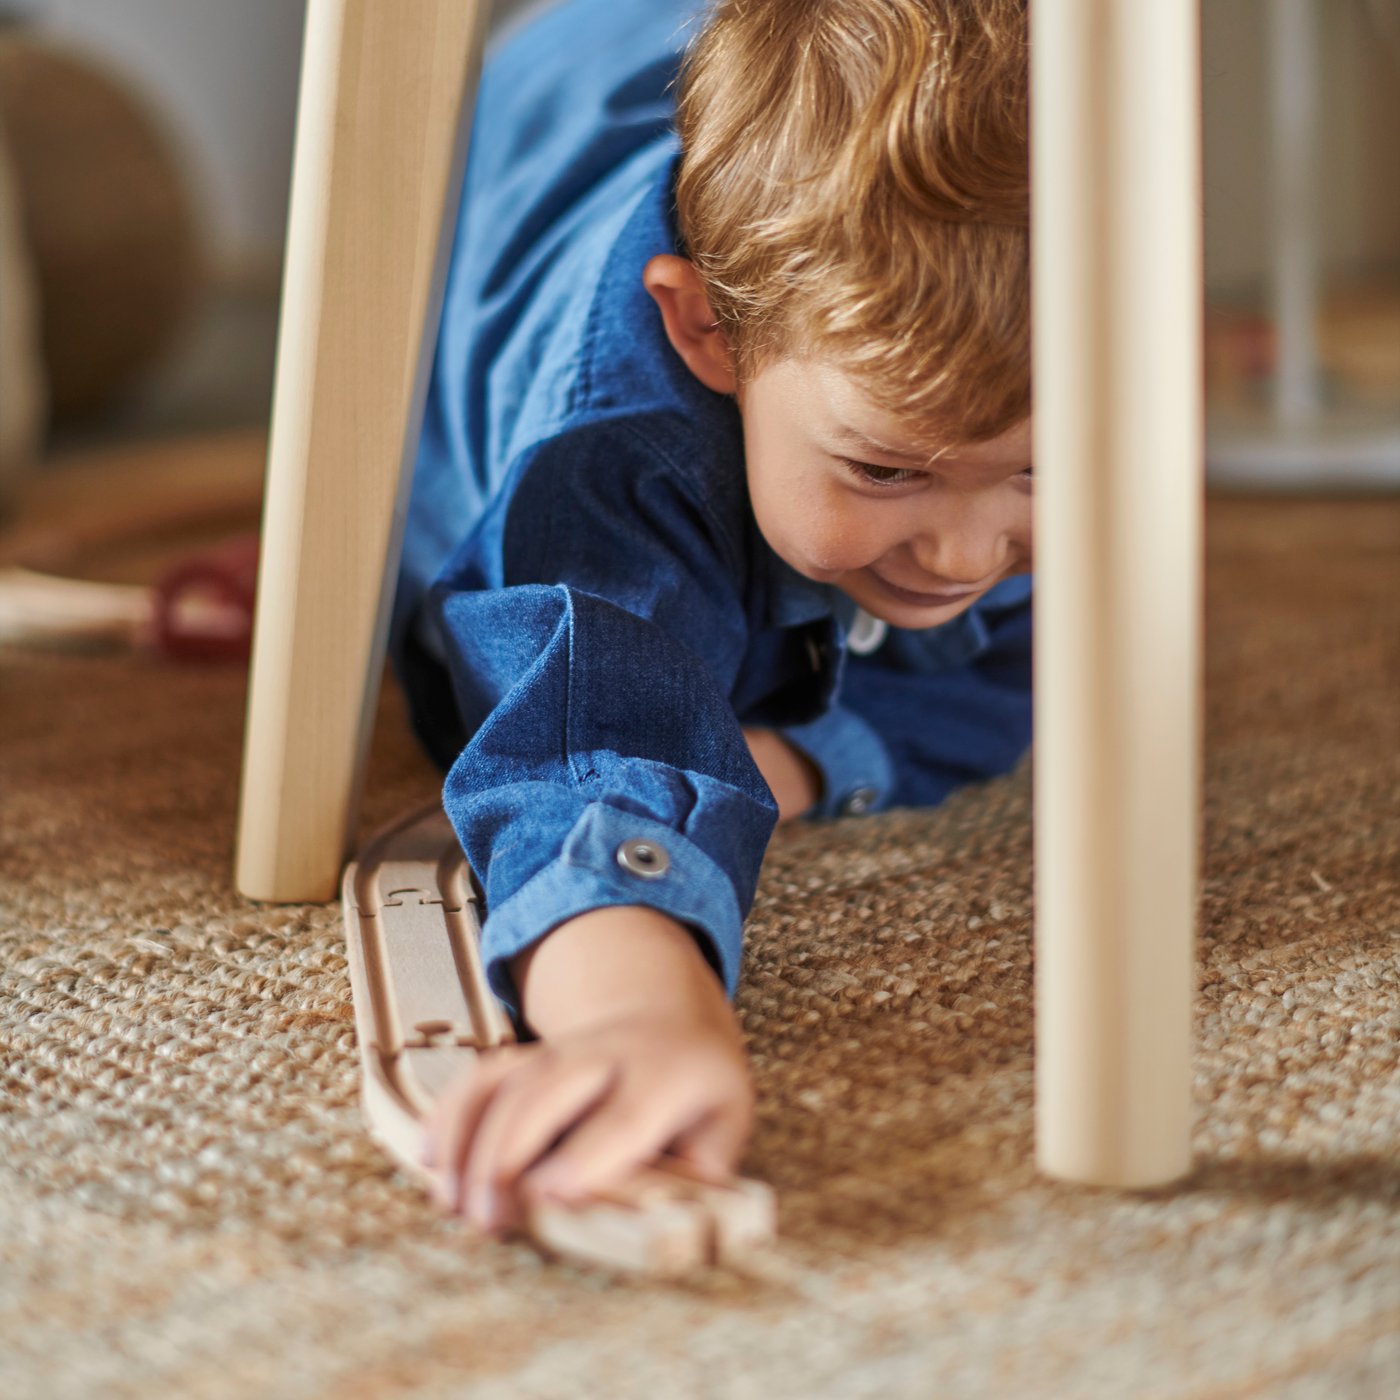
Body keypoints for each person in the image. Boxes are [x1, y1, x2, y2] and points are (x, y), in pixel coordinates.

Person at [392, 0, 1034, 1236]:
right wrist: (635, 1009)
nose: (964, 550)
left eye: (1037, 472)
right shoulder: (617, 449)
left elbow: (1014, 675)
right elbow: (582, 747)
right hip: (526, 105)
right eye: (886, 470)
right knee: (454, 576)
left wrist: (777, 760)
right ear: (707, 328)